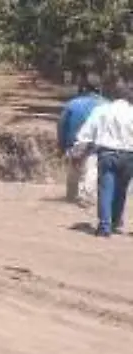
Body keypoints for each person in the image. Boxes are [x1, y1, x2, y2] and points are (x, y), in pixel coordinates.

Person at [68, 81, 133, 237]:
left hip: (107, 154)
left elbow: (87, 132)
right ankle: (116, 222)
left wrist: (78, 149)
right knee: (121, 190)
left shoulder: (102, 110)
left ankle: (104, 227)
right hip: (129, 155)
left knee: (105, 189)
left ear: (113, 96)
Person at [60, 80, 107, 203]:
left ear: (84, 90)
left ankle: (71, 195)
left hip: (74, 142)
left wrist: (62, 145)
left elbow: (61, 125)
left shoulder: (72, 104)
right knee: (91, 169)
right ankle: (85, 196)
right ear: (100, 90)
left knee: (73, 170)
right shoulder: (106, 105)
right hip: (95, 144)